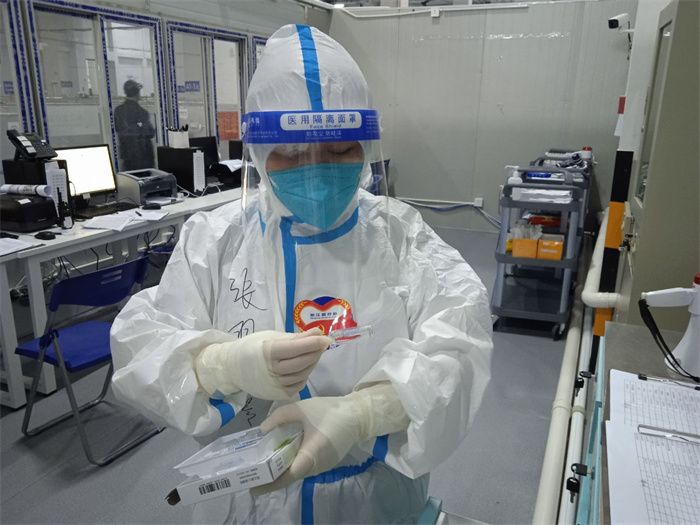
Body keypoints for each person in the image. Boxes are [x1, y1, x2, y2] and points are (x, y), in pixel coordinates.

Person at [111, 24, 492, 524]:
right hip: (251, 501)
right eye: (292, 153)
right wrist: (220, 365)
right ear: (257, 152)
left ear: (365, 146)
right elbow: (142, 344)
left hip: (375, 500)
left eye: (339, 150)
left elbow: (460, 346)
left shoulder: (402, 237)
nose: (316, 168)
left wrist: (364, 413)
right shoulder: (215, 240)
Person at [113, 79, 155, 171]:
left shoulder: (118, 111)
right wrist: (139, 124)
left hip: (127, 157)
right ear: (137, 93)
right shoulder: (142, 112)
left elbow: (118, 129)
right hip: (143, 157)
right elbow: (150, 132)